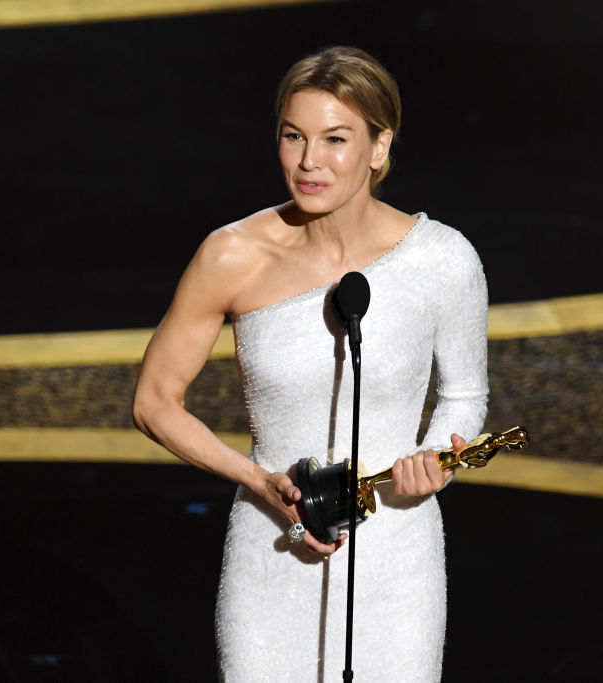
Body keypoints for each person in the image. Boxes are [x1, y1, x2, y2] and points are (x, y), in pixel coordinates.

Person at [133, 45, 488, 682]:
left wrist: (433, 460)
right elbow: (154, 401)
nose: (308, 162)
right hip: (274, 544)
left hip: (395, 556)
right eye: (293, 136)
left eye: (335, 139)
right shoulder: (232, 255)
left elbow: (464, 394)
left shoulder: (442, 259)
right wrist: (257, 480)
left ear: (380, 147)